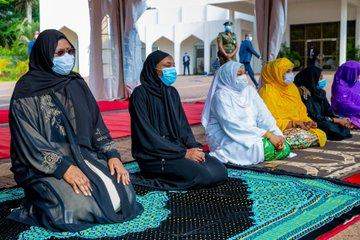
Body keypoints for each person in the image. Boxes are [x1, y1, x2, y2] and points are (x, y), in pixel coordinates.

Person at [8, 30, 142, 232]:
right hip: (42, 163)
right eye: (59, 53)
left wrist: (112, 155)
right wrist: (65, 168)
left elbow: (96, 123)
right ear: (44, 54)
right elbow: (29, 140)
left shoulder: (76, 83)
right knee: (77, 208)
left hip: (82, 154)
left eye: (70, 51)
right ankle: (37, 204)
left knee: (125, 193)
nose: (67, 57)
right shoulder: (26, 90)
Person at [129, 50, 228, 190]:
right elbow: (147, 134)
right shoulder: (140, 94)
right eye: (167, 65)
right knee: (203, 176)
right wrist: (184, 153)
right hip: (154, 155)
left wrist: (192, 146)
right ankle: (147, 180)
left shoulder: (171, 92)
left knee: (220, 171)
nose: (172, 69)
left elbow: (183, 127)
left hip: (177, 148)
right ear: (153, 68)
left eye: (173, 65)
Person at [202, 61, 290, 166]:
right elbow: (232, 125)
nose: (243, 77)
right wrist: (267, 135)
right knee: (258, 147)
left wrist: (277, 135)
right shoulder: (220, 96)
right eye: (239, 74)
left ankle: (265, 150)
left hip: (253, 134)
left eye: (244, 73)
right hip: (227, 136)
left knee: (285, 146)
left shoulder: (250, 91)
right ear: (227, 76)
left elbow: (264, 117)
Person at [259, 58, 327, 149]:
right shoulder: (267, 91)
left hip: (298, 127)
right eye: (287, 71)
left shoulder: (292, 88)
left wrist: (307, 122)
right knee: (301, 137)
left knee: (320, 133)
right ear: (276, 73)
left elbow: (300, 110)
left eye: (291, 71)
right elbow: (267, 121)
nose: (291, 74)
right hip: (279, 129)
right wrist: (293, 123)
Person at [294, 66, 352, 141]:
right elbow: (312, 116)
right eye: (320, 78)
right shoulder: (303, 93)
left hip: (325, 119)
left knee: (342, 126)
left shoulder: (320, 92)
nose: (322, 80)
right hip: (313, 121)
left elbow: (328, 110)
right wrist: (336, 120)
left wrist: (340, 119)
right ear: (312, 78)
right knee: (328, 126)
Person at [331, 60, 360, 129]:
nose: (358, 74)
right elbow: (344, 105)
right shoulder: (340, 86)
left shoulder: (355, 83)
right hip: (346, 114)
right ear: (351, 73)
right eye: (357, 72)